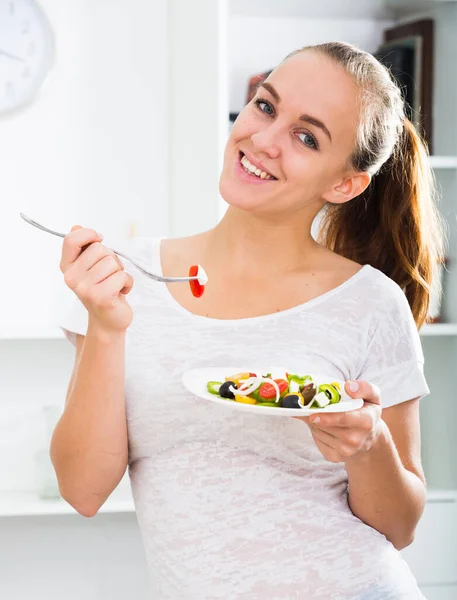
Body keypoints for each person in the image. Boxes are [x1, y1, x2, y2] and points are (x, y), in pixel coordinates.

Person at [51, 42, 444, 599]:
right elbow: (82, 490)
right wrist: (108, 328)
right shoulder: (122, 277)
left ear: (344, 184)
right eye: (265, 107)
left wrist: (368, 445)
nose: (263, 140)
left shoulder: (371, 302)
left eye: (307, 137)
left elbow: (399, 528)